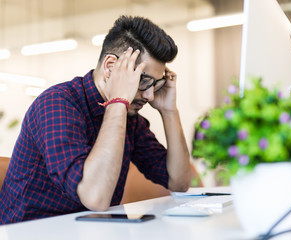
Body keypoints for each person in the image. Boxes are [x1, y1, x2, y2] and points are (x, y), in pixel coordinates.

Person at [0, 15, 191, 224]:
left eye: (156, 84)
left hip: (88, 230)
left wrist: (169, 111)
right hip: (29, 232)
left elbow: (179, 182)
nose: (149, 96)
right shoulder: (56, 103)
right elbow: (95, 197)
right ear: (111, 67)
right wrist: (118, 100)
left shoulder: (130, 119)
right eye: (143, 80)